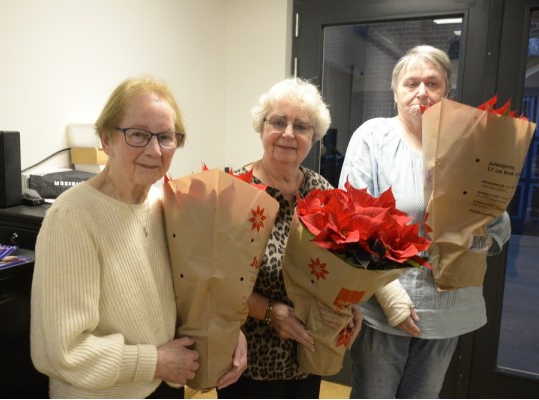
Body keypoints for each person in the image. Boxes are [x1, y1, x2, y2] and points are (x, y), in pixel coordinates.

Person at [30, 76, 246, 398]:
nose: (154, 150)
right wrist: (155, 362)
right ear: (106, 140)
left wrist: (224, 330)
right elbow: (65, 350)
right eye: (138, 135)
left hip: (162, 385)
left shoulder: (164, 204)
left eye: (166, 137)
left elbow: (185, 298)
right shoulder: (72, 217)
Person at [338, 45, 512, 398]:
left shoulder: (467, 146)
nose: (422, 92)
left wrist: (476, 242)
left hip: (447, 310)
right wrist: (390, 298)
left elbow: (497, 223)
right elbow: (352, 223)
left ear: (447, 92)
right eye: (411, 82)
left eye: (433, 83)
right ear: (395, 91)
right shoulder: (373, 138)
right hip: (384, 308)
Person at [217, 77, 362, 399]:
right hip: (246, 358)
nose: (288, 134)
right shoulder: (233, 190)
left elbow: (341, 264)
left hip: (306, 354)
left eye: (301, 126)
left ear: (313, 136)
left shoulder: (323, 191)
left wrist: (348, 305)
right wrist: (269, 312)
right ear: (261, 128)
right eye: (278, 122)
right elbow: (214, 281)